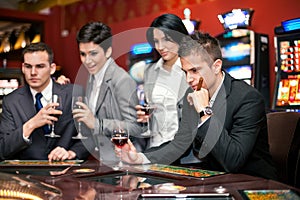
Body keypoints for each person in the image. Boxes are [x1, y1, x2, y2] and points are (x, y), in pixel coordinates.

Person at [118, 31, 278, 180]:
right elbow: (180, 143)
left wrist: (205, 112)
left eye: (195, 70)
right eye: (185, 71)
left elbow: (233, 161)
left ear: (216, 66)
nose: (189, 79)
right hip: (216, 181)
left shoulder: (247, 98)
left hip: (253, 183)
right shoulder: (194, 94)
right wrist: (140, 157)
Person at [0, 42, 89, 161]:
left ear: (52, 68)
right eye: (28, 66)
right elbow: (3, 149)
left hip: (67, 173)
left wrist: (71, 153)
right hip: (27, 175)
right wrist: (31, 124)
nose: (33, 72)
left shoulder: (74, 93)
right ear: (22, 68)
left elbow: (90, 136)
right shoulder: (11, 101)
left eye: (40, 66)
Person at [71, 21, 142, 162]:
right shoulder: (92, 77)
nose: (87, 61)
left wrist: (97, 124)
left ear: (108, 51)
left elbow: (135, 127)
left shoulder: (122, 80)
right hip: (105, 161)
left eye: (93, 53)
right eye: (83, 54)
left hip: (126, 163)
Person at [134, 13, 189, 150]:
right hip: (155, 148)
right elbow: (152, 111)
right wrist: (146, 118)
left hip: (185, 151)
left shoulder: (193, 69)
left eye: (166, 39)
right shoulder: (150, 71)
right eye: (156, 41)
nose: (160, 46)